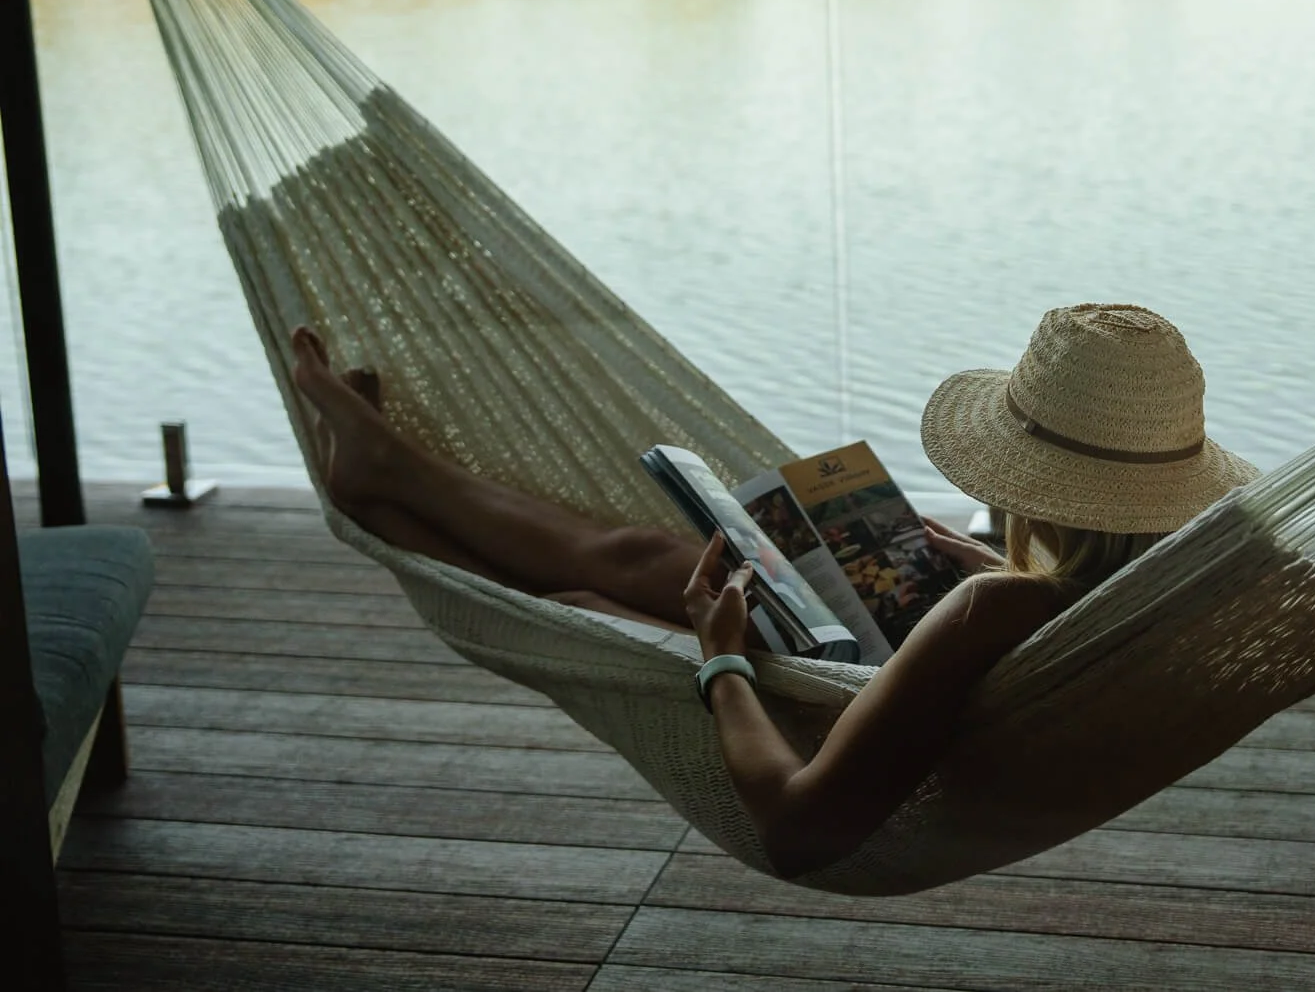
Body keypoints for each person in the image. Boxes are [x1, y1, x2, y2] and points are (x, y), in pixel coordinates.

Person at [289, 302, 1256, 877]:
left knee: (595, 611)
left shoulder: (989, 607)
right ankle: (392, 474)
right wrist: (987, 566)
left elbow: (799, 827)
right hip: (910, 665)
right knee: (643, 555)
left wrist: (721, 657)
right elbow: (1039, 620)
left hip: (824, 710)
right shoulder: (1179, 573)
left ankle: (381, 495)